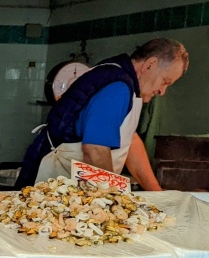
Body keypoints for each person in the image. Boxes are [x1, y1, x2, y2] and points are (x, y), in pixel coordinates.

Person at [16, 38, 188, 190]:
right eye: (165, 82)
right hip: (53, 188)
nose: (162, 91)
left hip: (74, 189)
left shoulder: (126, 83)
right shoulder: (117, 88)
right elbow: (95, 150)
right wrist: (113, 199)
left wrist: (157, 193)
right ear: (150, 64)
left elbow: (129, 140)